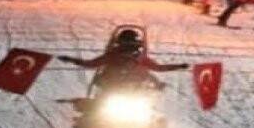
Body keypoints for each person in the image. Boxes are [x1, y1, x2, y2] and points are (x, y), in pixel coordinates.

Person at [57, 28, 188, 90]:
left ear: (138, 45)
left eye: (131, 45)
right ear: (119, 44)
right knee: (92, 113)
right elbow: (91, 64)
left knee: (150, 113)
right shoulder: (112, 56)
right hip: (111, 91)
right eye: (125, 45)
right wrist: (71, 60)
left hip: (135, 93)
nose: (128, 50)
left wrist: (179, 66)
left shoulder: (141, 59)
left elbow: (158, 68)